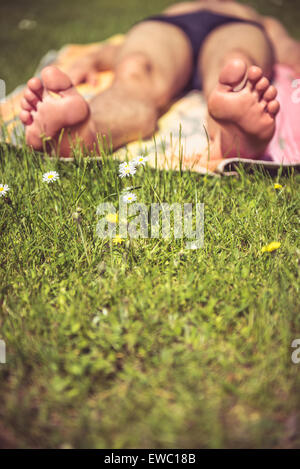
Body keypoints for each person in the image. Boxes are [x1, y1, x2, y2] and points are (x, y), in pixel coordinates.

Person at [19, 0, 300, 168]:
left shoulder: (257, 16)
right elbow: (123, 48)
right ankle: (86, 132)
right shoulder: (176, 7)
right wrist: (94, 57)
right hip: (172, 25)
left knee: (236, 66)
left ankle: (231, 137)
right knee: (135, 67)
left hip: (235, 25)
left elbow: (287, 48)